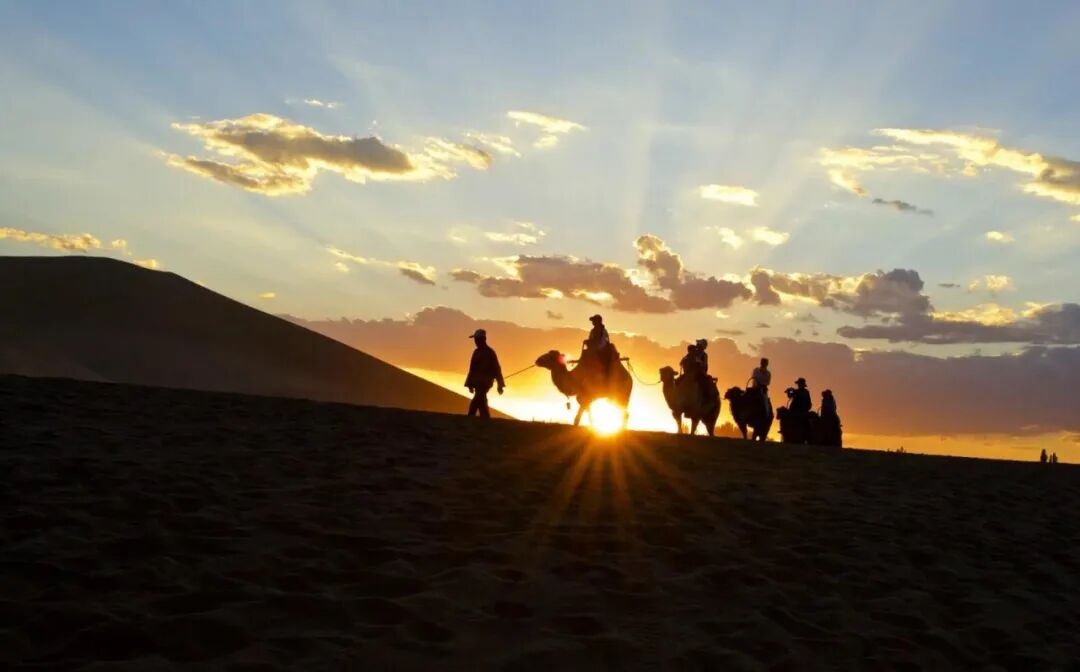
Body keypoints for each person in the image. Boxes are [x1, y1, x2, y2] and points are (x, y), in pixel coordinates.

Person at [465, 329, 504, 418]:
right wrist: (470, 384)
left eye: (476, 339)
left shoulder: (490, 353)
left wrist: (500, 385)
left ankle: (471, 417)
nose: (475, 341)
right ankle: (485, 419)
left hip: (485, 383)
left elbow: (497, 369)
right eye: (475, 340)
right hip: (477, 383)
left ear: (482, 339)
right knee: (481, 401)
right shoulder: (476, 352)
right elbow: (472, 369)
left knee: (476, 401)